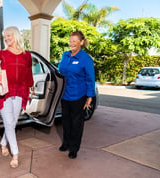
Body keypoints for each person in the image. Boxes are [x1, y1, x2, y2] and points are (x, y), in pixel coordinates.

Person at [0, 26, 34, 168]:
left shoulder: (27, 55)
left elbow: (28, 73)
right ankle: (16, 154)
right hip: (4, 92)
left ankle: (3, 143)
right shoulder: (2, 53)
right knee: (8, 122)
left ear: (16, 36)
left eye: (9, 36)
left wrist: (30, 87)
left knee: (12, 122)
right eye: (5, 36)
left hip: (20, 90)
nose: (6, 39)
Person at [58, 30, 95, 159]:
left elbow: (90, 79)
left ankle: (74, 148)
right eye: (70, 41)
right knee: (66, 121)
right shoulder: (65, 55)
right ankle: (66, 143)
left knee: (76, 123)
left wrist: (90, 97)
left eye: (74, 41)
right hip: (65, 95)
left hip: (78, 96)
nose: (71, 43)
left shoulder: (86, 59)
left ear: (81, 42)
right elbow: (60, 72)